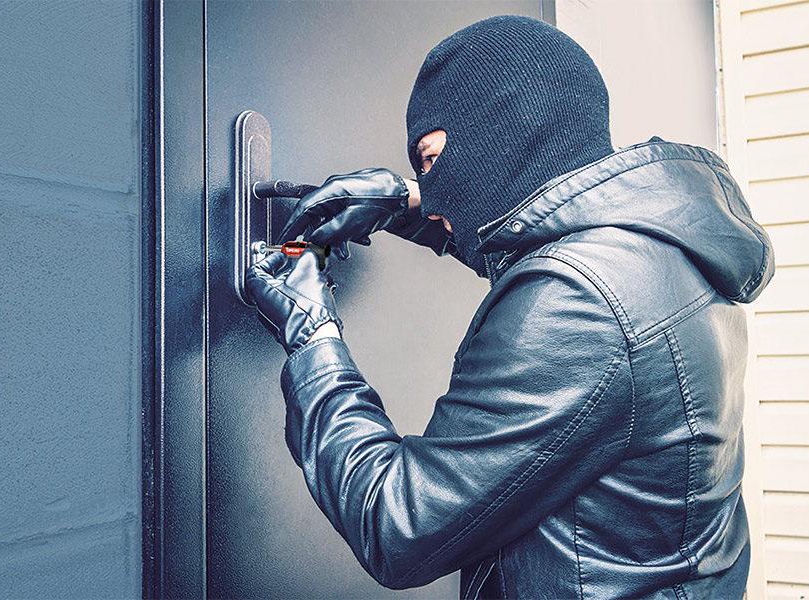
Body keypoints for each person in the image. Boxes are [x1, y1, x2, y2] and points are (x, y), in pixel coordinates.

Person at [245, 15, 774, 599]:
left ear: (505, 128)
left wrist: (311, 333)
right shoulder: (664, 245)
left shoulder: (577, 299)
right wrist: (406, 203)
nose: (435, 191)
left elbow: (396, 525)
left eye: (431, 158)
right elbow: (526, 239)